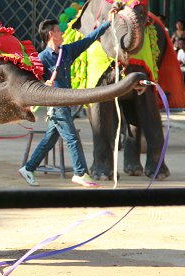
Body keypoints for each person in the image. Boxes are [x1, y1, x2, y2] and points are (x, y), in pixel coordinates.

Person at [19, 10, 117, 188]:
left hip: (65, 103)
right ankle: (80, 173)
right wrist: (43, 84)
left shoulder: (67, 51)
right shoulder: (42, 58)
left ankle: (28, 168)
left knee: (50, 139)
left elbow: (89, 39)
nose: (62, 33)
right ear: (51, 34)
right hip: (56, 104)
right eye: (59, 31)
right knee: (72, 138)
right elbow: (31, 81)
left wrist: (108, 23)